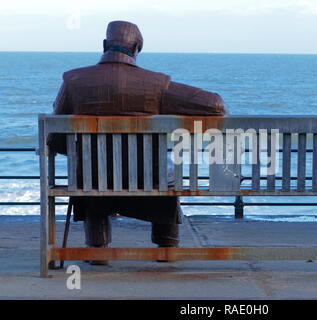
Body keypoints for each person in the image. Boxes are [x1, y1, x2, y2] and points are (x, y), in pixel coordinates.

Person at [48, 21, 226, 265]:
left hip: (92, 179)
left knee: (91, 174)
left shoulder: (74, 80)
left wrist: (80, 154)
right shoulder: (155, 84)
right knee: (166, 175)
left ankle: (97, 250)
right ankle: (166, 246)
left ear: (104, 45)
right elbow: (215, 105)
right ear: (138, 47)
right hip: (148, 178)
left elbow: (55, 134)